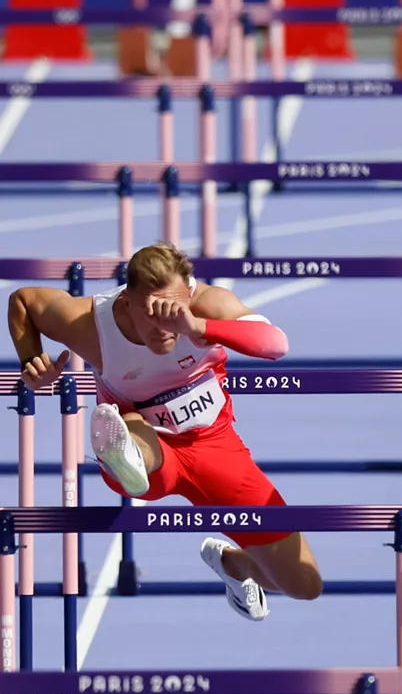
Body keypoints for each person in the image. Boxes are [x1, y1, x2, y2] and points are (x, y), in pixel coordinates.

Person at [7, 242, 322, 621]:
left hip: (215, 447)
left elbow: (276, 344)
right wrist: (31, 360)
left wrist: (195, 326)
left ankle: (234, 565)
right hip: (148, 446)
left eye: (171, 310)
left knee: (304, 584)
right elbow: (23, 301)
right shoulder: (89, 324)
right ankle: (122, 455)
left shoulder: (206, 305)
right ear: (125, 302)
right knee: (136, 435)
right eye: (150, 312)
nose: (163, 325)